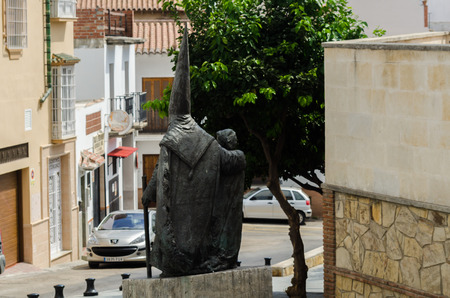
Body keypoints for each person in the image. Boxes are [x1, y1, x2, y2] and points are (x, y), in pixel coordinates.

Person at [142, 29, 245, 277]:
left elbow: (159, 176)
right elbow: (235, 163)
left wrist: (147, 195)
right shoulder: (209, 143)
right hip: (203, 228)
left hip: (178, 228)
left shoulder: (171, 141)